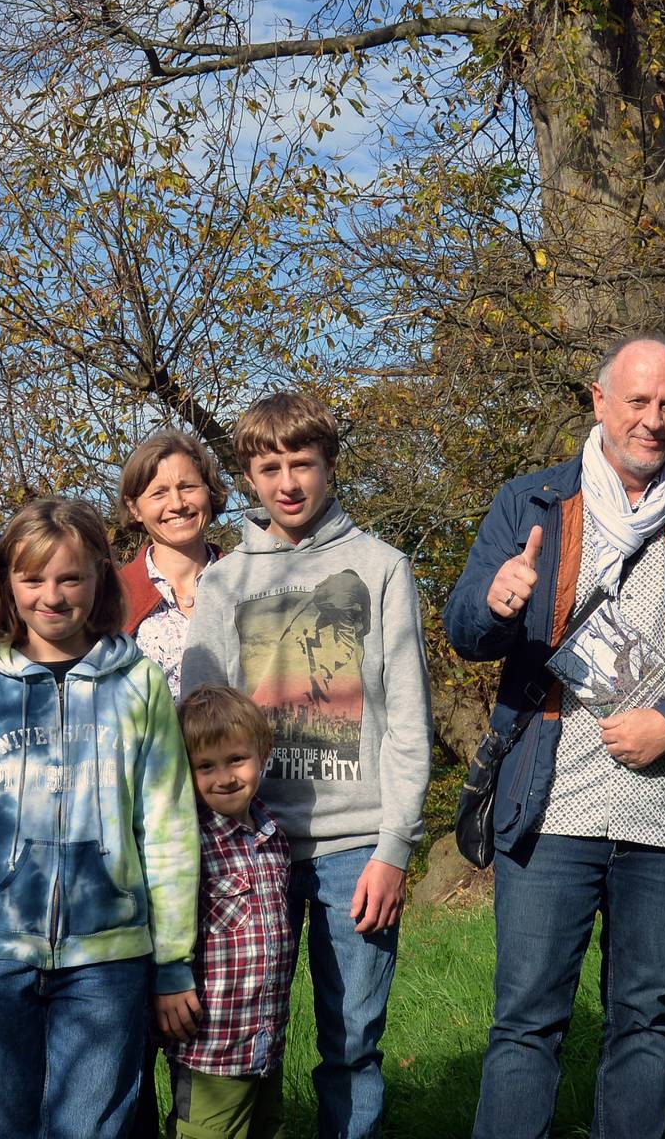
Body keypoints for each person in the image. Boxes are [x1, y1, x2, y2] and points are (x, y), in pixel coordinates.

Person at [442, 335, 665, 1139]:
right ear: (598, 401)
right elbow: (463, 630)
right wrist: (496, 600)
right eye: (637, 401)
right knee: (525, 1023)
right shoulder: (532, 505)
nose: (653, 421)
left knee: (644, 1021)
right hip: (549, 809)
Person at [179, 391, 431, 1139]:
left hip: (357, 849)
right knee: (241, 1043)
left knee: (351, 1043)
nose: (288, 482)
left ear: (328, 466)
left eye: (303, 464)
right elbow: (199, 727)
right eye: (269, 466)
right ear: (249, 475)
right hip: (248, 852)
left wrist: (395, 848)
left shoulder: (381, 567)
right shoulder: (225, 585)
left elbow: (408, 719)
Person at [0, 497, 201, 1139]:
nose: (52, 595)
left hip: (109, 959)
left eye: (70, 577)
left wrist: (174, 962)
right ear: (6, 587)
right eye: (32, 579)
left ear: (99, 578)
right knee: (4, 1126)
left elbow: (169, 829)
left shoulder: (139, 686)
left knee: (92, 1127)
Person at [153, 685, 297, 1139]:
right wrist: (166, 981)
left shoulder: (273, 835)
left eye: (236, 759)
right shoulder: (188, 842)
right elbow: (163, 922)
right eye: (205, 767)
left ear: (263, 752)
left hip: (264, 1040)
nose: (225, 777)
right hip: (211, 1048)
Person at [119, 429, 224, 690]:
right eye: (159, 493)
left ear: (209, 492)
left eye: (187, 487)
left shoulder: (246, 582)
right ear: (134, 509)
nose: (176, 503)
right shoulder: (113, 596)